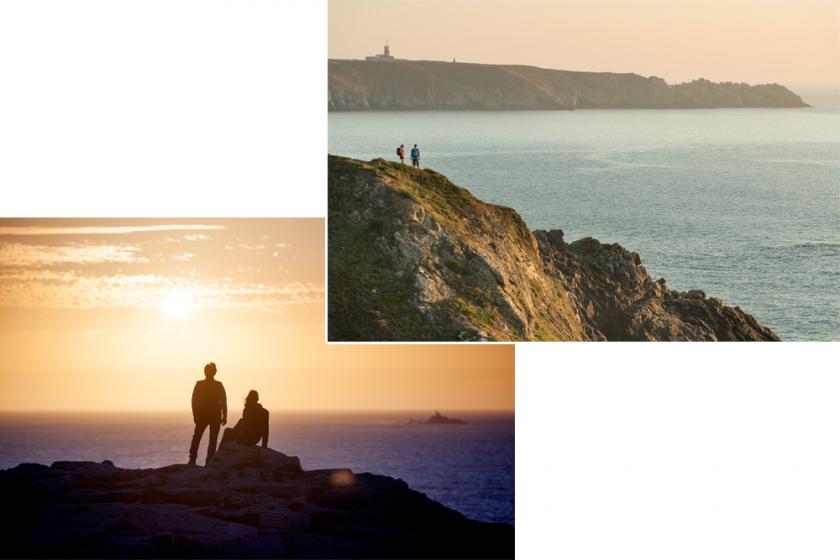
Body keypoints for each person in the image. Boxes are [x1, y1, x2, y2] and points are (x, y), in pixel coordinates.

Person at [188, 362, 227, 465]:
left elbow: (193, 401)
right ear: (215, 372)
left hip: (205, 414)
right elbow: (224, 401)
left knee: (198, 437)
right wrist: (225, 415)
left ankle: (194, 459)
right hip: (211, 414)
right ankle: (206, 460)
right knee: (210, 439)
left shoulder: (201, 384)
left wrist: (195, 414)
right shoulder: (217, 385)